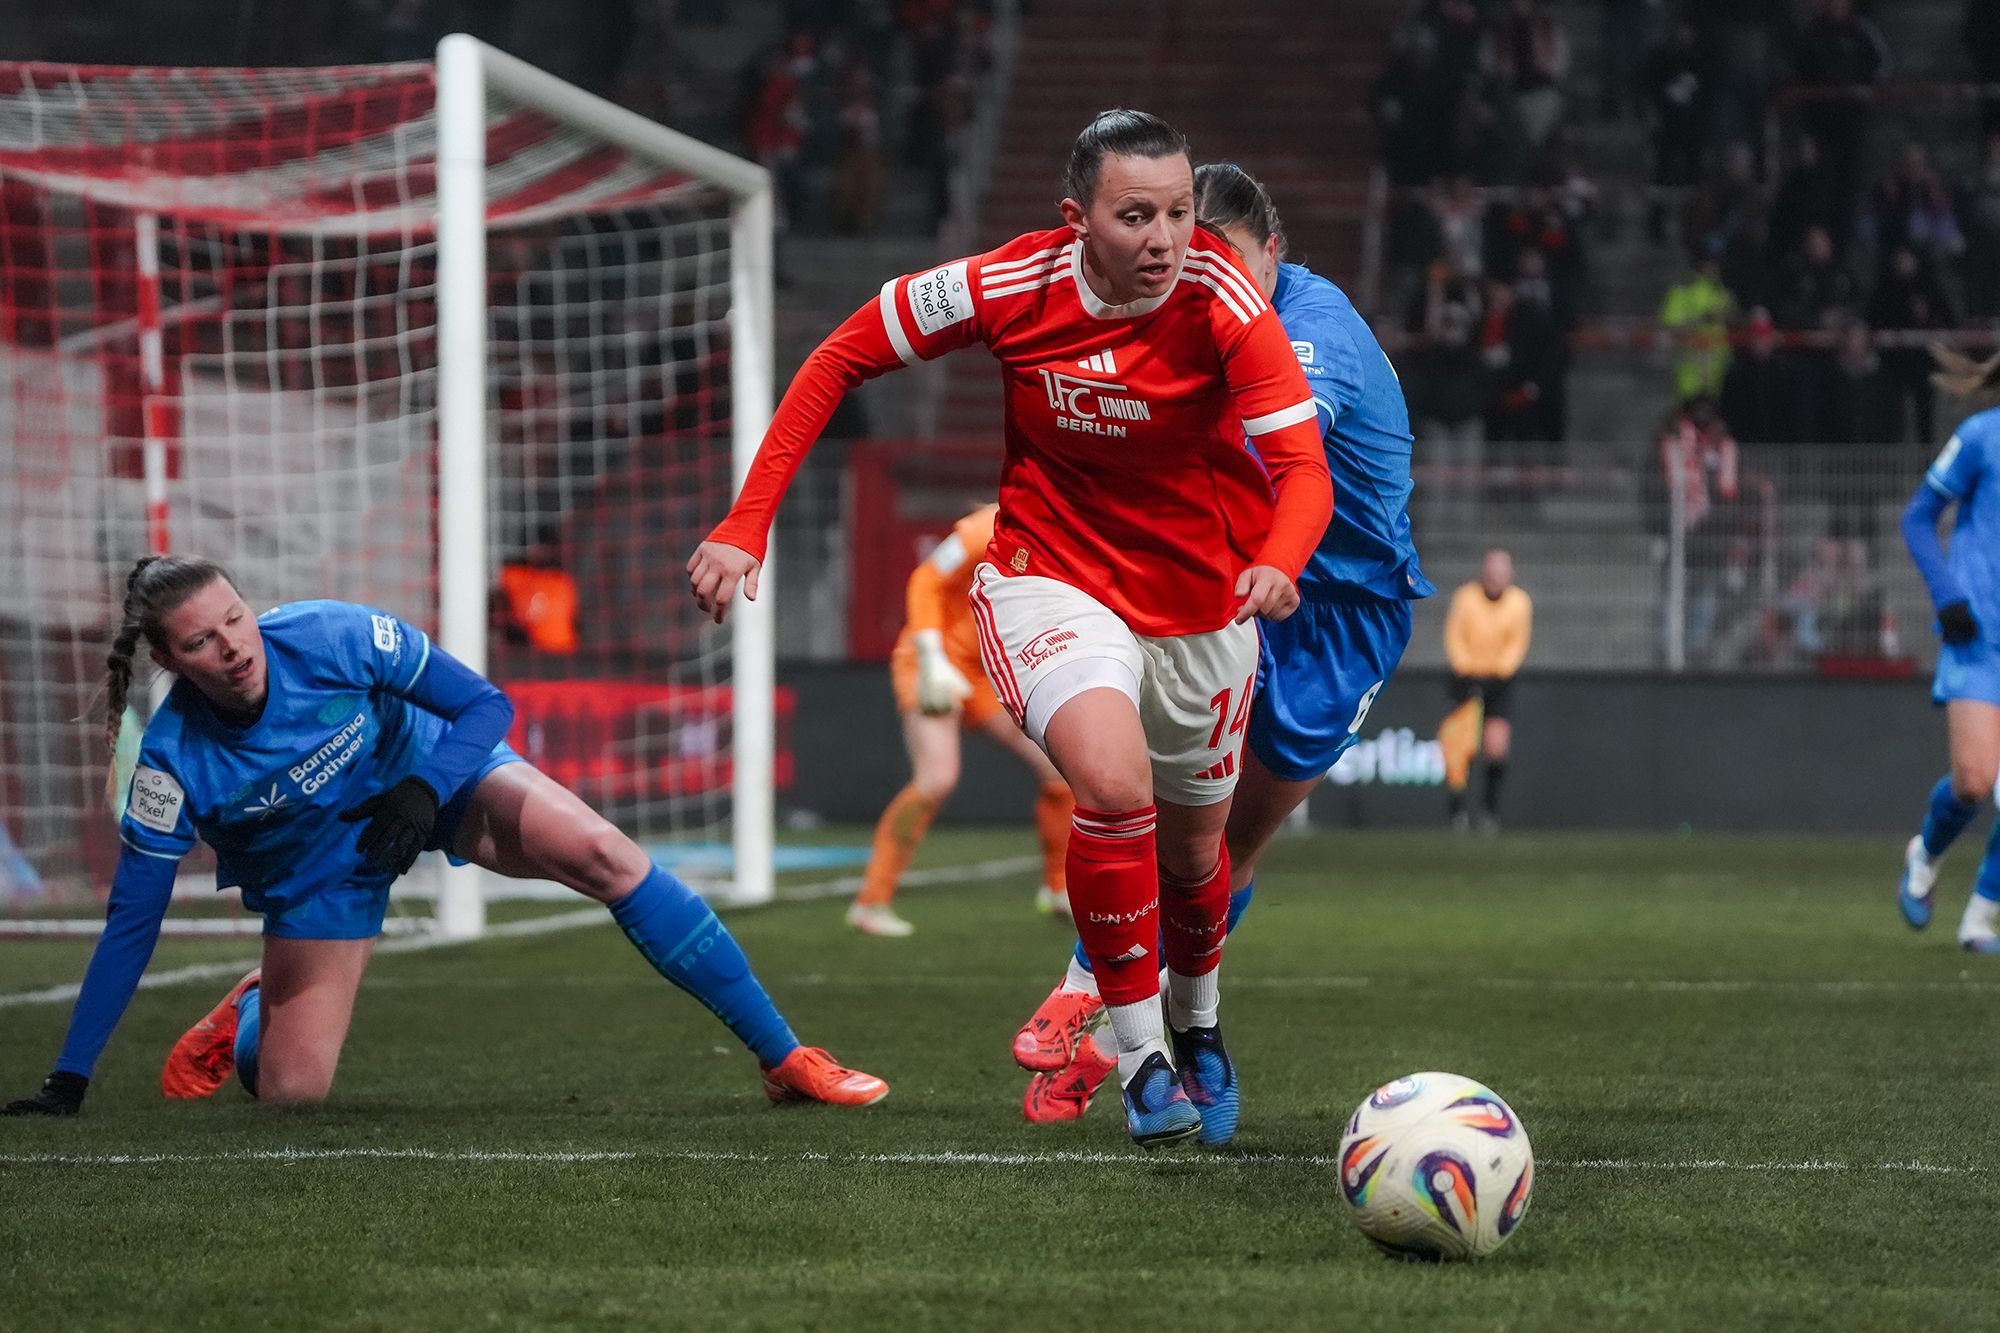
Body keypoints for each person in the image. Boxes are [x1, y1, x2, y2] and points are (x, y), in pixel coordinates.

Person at [687, 111, 1335, 1149]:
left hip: (1203, 605)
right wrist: (744, 521)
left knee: (1198, 856)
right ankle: (1141, 1065)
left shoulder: (1220, 299)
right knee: (1112, 785)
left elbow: (1303, 471)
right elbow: (837, 358)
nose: (1167, 237)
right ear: (1076, 220)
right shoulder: (1004, 286)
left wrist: (1277, 562)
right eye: (1137, 216)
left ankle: (1198, 1025)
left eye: (1177, 211)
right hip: (1051, 578)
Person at [3, 555, 886, 1116]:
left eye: (236, 616)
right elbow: (133, 918)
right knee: (291, 1092)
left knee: (606, 855)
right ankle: (254, 1005)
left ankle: (786, 1058)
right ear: (168, 661)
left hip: (437, 778)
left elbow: (485, 704)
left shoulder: (335, 635)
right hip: (325, 872)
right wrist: (69, 1079)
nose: (234, 645)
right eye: (202, 639)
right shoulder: (171, 763)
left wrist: (425, 789)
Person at [1011, 162, 1432, 1130]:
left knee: (1229, 846)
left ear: (1271, 253)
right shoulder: (1194, 316)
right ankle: (1122, 1018)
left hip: (1333, 616)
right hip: (1228, 592)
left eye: (1228, 261)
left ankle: (1127, 1026)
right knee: (1163, 823)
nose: (1209, 281)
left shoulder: (1311, 333)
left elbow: (1273, 461)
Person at [848, 502, 1075, 937]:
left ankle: (1058, 889)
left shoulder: (1068, 535)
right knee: (937, 778)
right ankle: (871, 902)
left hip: (988, 669)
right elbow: (926, 579)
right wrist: (932, 658)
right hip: (930, 660)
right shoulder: (986, 526)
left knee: (1059, 772)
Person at [1895, 347, 2000, 951]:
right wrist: (1947, 598)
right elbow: (1918, 517)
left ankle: (1979, 916)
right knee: (1972, 782)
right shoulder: (1981, 436)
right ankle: (1925, 855)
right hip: (1978, 635)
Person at [1442, 548, 1532, 832]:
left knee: (1496, 747)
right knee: (1460, 747)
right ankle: (1457, 809)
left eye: (1501, 573)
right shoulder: (1465, 597)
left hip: (1499, 682)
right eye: (1491, 572)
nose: (1495, 578)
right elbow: (1455, 636)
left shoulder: (1519, 603)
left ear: (1510, 575)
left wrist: (1498, 672)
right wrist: (1467, 669)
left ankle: (1488, 810)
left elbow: (1516, 645)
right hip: (1466, 679)